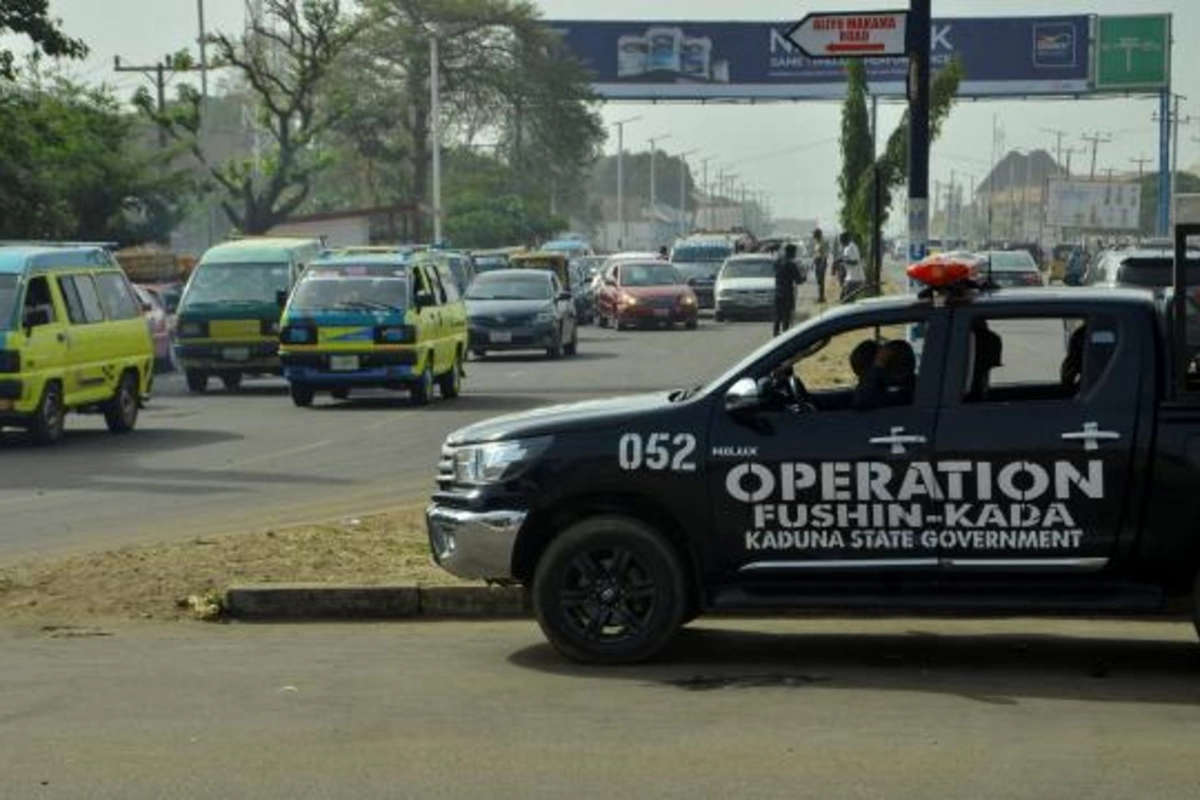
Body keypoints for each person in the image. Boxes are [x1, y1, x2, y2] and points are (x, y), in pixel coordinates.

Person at [853, 339, 916, 410]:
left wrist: (878, 364)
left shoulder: (903, 396)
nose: (861, 380)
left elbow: (860, 401)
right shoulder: (917, 385)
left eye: (864, 376)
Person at [773, 243, 804, 337]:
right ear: (792, 253)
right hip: (787, 294)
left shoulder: (777, 262)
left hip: (778, 292)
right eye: (794, 252)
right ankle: (785, 337)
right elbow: (798, 280)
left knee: (778, 316)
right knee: (786, 317)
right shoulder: (791, 264)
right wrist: (804, 278)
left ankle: (775, 335)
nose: (795, 254)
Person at [838, 232, 864, 302]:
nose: (841, 243)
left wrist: (843, 260)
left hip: (855, 278)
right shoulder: (848, 247)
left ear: (845, 240)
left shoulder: (851, 247)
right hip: (850, 278)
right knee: (844, 298)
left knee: (845, 300)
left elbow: (855, 262)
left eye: (841, 241)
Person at [811, 228, 830, 303]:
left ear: (817, 234)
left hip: (821, 262)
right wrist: (813, 263)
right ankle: (820, 296)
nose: (813, 235)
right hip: (817, 262)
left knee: (821, 280)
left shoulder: (823, 242)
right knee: (818, 281)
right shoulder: (816, 242)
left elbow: (824, 255)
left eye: (814, 234)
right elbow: (815, 254)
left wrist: (822, 264)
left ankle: (822, 297)